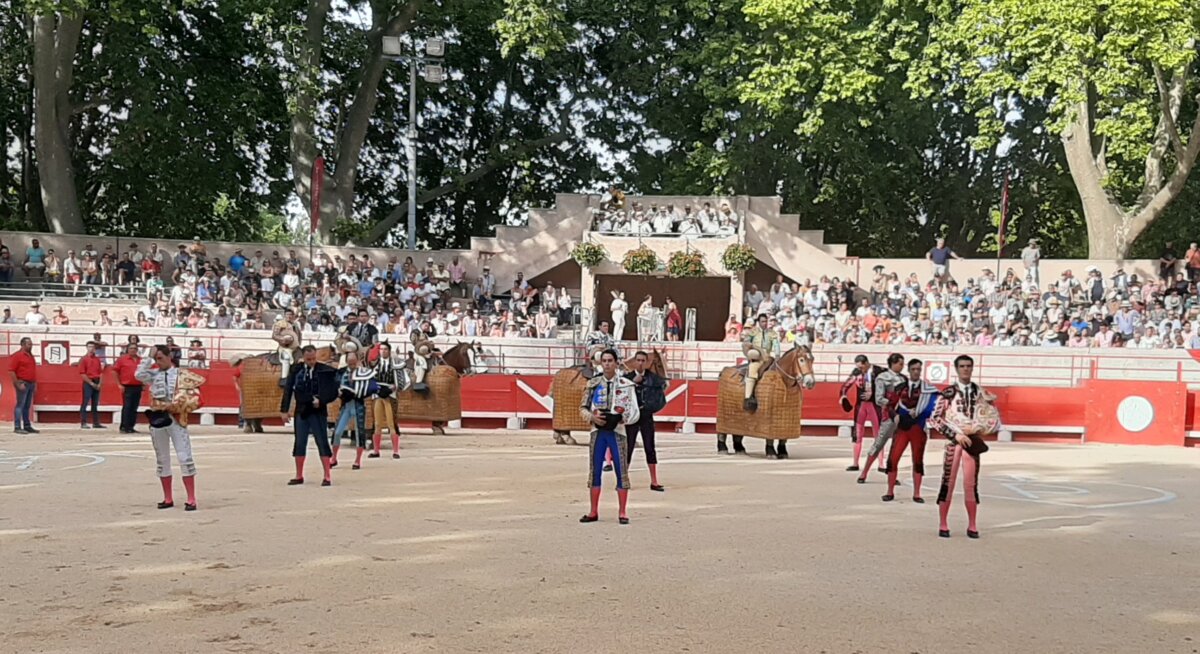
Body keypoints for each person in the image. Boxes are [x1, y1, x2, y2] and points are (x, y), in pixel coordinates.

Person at [928, 354, 996, 539]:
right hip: (953, 441)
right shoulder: (948, 393)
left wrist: (978, 428)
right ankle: (943, 523)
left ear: (972, 368)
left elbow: (992, 418)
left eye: (968, 366)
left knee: (970, 484)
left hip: (972, 441)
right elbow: (934, 418)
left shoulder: (981, 393)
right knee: (947, 482)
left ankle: (972, 525)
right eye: (962, 366)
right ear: (957, 369)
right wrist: (956, 434)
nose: (966, 369)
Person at [578, 349, 640, 525]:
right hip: (597, 431)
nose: (607, 364)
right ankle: (593, 511)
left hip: (618, 431)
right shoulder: (593, 383)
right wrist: (592, 417)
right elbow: (583, 408)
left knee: (621, 471)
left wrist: (621, 418)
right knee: (595, 470)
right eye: (604, 361)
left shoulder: (626, 385)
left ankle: (622, 512)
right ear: (601, 363)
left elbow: (634, 411)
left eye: (610, 360)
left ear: (616, 362)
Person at [136, 345, 199, 511]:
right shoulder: (153, 374)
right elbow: (138, 374)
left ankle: (191, 499)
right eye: (156, 359)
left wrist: (178, 405)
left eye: (160, 358)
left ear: (169, 357)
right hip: (158, 419)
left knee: (185, 458)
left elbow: (196, 398)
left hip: (177, 419)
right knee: (162, 460)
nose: (158, 362)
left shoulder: (181, 375)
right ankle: (168, 498)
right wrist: (148, 356)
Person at [281, 345, 339, 486]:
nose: (311, 361)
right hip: (301, 410)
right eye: (308, 359)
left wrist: (322, 400)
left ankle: (327, 476)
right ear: (303, 357)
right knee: (300, 442)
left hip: (318, 411)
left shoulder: (325, 371)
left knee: (322, 441)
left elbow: (333, 391)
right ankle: (299, 475)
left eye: (313, 358)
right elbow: (288, 389)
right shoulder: (296, 370)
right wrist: (284, 410)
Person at [884, 358, 938, 503]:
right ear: (908, 370)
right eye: (913, 369)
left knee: (918, 460)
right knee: (893, 458)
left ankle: (917, 494)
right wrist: (894, 416)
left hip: (918, 427)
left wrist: (922, 412)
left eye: (918, 369)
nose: (916, 372)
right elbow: (890, 405)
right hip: (902, 426)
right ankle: (890, 491)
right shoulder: (900, 387)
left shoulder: (927, 389)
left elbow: (933, 408)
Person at [857, 352, 907, 483]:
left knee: (896, 447)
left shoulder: (904, 379)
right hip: (889, 415)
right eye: (900, 364)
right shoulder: (882, 378)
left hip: (902, 417)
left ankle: (892, 475)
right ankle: (864, 473)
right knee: (878, 444)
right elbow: (879, 399)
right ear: (893, 363)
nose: (902, 366)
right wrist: (893, 404)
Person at [624, 351, 666, 491]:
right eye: (638, 360)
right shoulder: (627, 378)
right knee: (628, 447)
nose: (641, 363)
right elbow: (620, 393)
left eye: (643, 360)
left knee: (650, 447)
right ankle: (624, 479)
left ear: (646, 362)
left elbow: (662, 389)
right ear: (635, 362)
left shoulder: (653, 378)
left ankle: (654, 481)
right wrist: (631, 383)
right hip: (632, 417)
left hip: (646, 415)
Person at [839, 354, 886, 472]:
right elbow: (845, 386)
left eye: (861, 367)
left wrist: (875, 392)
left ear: (866, 363)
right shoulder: (856, 372)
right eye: (858, 368)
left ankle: (881, 464)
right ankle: (855, 463)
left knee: (879, 435)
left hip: (875, 406)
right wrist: (843, 395)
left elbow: (889, 385)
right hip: (860, 406)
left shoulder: (879, 371)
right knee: (857, 434)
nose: (859, 370)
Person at [331, 351, 375, 470]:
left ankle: (357, 460)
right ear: (346, 362)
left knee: (359, 432)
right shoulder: (341, 372)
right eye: (349, 362)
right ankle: (333, 458)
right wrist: (339, 392)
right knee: (338, 431)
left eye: (353, 362)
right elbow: (335, 386)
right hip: (346, 405)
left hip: (358, 404)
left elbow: (371, 387)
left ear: (357, 361)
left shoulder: (363, 372)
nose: (351, 364)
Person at [740, 313, 780, 411]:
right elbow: (745, 343)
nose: (765, 323)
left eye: (766, 321)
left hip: (767, 358)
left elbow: (776, 345)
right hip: (757, 357)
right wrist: (756, 348)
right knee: (753, 370)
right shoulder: (753, 332)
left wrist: (778, 355)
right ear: (758, 322)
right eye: (762, 321)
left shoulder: (772, 333)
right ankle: (748, 398)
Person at [370, 342, 401, 459]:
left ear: (389, 351)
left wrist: (394, 386)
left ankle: (396, 451)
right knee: (377, 423)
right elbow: (371, 378)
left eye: (385, 349)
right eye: (381, 349)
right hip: (378, 395)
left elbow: (400, 380)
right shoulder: (375, 364)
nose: (383, 351)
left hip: (390, 395)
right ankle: (376, 450)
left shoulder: (395, 364)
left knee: (391, 423)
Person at [111, 343, 144, 433]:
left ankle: (130, 426)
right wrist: (119, 384)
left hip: (138, 386)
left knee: (134, 407)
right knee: (127, 406)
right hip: (127, 386)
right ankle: (124, 427)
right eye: (131, 348)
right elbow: (115, 371)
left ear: (137, 350)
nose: (133, 350)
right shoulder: (122, 360)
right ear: (127, 349)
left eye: (135, 348)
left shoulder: (141, 360)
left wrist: (144, 383)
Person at [9, 337, 38, 434]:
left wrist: (35, 383)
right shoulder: (17, 356)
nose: (31, 346)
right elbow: (11, 371)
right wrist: (17, 383)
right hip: (23, 382)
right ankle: (17, 426)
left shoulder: (30, 356)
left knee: (27, 406)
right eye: (29, 344)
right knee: (20, 405)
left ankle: (27, 425)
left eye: (31, 344)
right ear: (22, 345)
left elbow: (32, 371)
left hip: (30, 383)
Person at [272, 308, 303, 384]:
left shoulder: (295, 325)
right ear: (284, 315)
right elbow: (274, 335)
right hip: (285, 348)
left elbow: (299, 336)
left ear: (293, 316)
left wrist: (298, 344)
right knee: (286, 358)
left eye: (290, 315)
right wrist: (282, 339)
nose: (289, 316)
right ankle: (284, 379)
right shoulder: (280, 324)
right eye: (287, 314)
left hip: (296, 348)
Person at [78, 341, 105, 429]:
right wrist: (91, 383)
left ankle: (95, 422)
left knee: (95, 403)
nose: (91, 348)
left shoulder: (97, 359)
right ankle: (83, 422)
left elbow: (100, 372)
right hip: (89, 381)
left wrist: (100, 383)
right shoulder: (83, 359)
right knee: (85, 402)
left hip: (96, 381)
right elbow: (82, 373)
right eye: (90, 347)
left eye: (93, 347)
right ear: (87, 348)